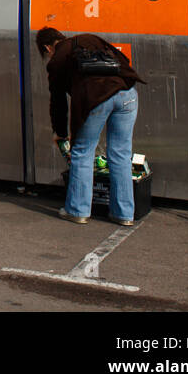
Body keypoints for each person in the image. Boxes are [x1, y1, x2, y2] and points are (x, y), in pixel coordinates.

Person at [35, 26, 143, 225]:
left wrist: (60, 133)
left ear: (47, 48)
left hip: (97, 99)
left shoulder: (57, 61)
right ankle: (124, 214)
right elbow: (123, 61)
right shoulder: (90, 38)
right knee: (120, 154)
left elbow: (57, 103)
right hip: (127, 94)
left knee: (82, 152)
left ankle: (78, 210)